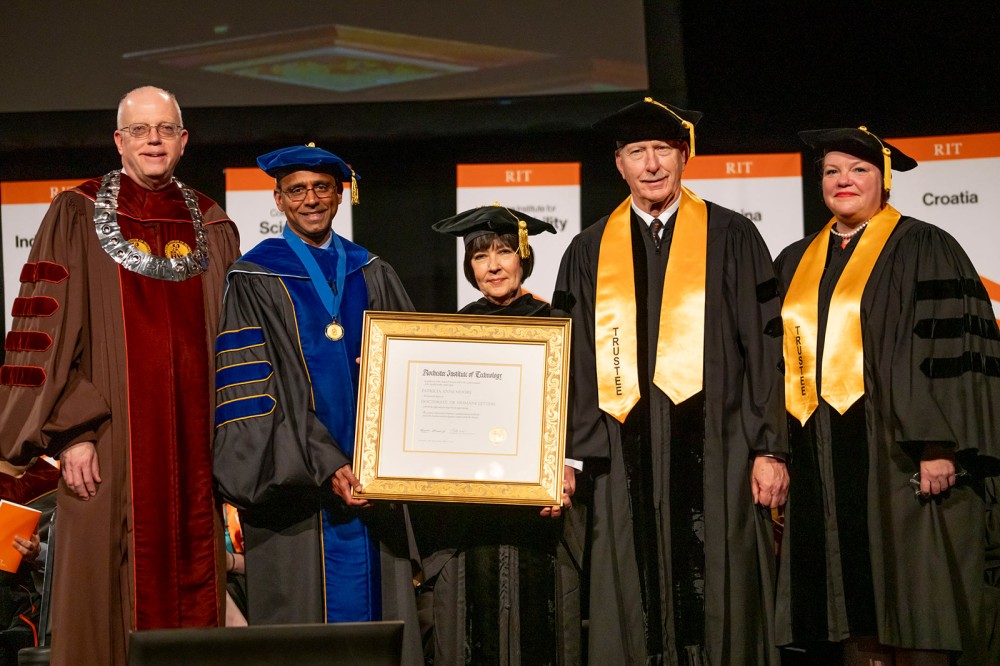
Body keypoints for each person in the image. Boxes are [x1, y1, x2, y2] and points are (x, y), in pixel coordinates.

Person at [0, 86, 239, 666]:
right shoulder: (76, 213)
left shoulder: (211, 222)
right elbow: (46, 336)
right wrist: (71, 433)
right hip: (107, 444)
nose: (153, 139)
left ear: (183, 140)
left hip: (195, 449)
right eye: (139, 130)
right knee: (105, 596)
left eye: (164, 129)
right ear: (119, 140)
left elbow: (237, 343)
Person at [551, 97, 789, 665]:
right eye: (638, 152)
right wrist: (567, 455)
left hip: (724, 449)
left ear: (685, 156)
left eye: (663, 149)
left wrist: (769, 447)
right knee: (632, 599)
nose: (652, 164)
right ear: (619, 164)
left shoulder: (731, 237)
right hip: (618, 451)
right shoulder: (588, 250)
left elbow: (765, 346)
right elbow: (573, 362)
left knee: (720, 586)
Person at [775, 127, 1000, 665]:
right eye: (831, 171)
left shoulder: (926, 246)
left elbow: (956, 350)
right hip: (821, 449)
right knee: (848, 600)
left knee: (917, 594)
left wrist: (940, 443)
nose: (843, 181)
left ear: (885, 180)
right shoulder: (796, 258)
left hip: (903, 452)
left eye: (858, 170)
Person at [212, 144, 421, 664]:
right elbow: (257, 395)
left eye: (322, 188)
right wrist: (330, 464)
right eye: (298, 190)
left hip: (378, 490)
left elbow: (413, 374)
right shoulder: (253, 278)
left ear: (340, 193)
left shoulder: (372, 271)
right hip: (297, 500)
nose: (311, 200)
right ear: (278, 200)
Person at [417, 204, 582, 665]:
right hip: (472, 517)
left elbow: (580, 407)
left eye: (504, 251)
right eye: (479, 256)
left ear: (523, 257)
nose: (492, 265)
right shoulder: (450, 332)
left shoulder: (560, 323)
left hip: (543, 515)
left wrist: (566, 466)